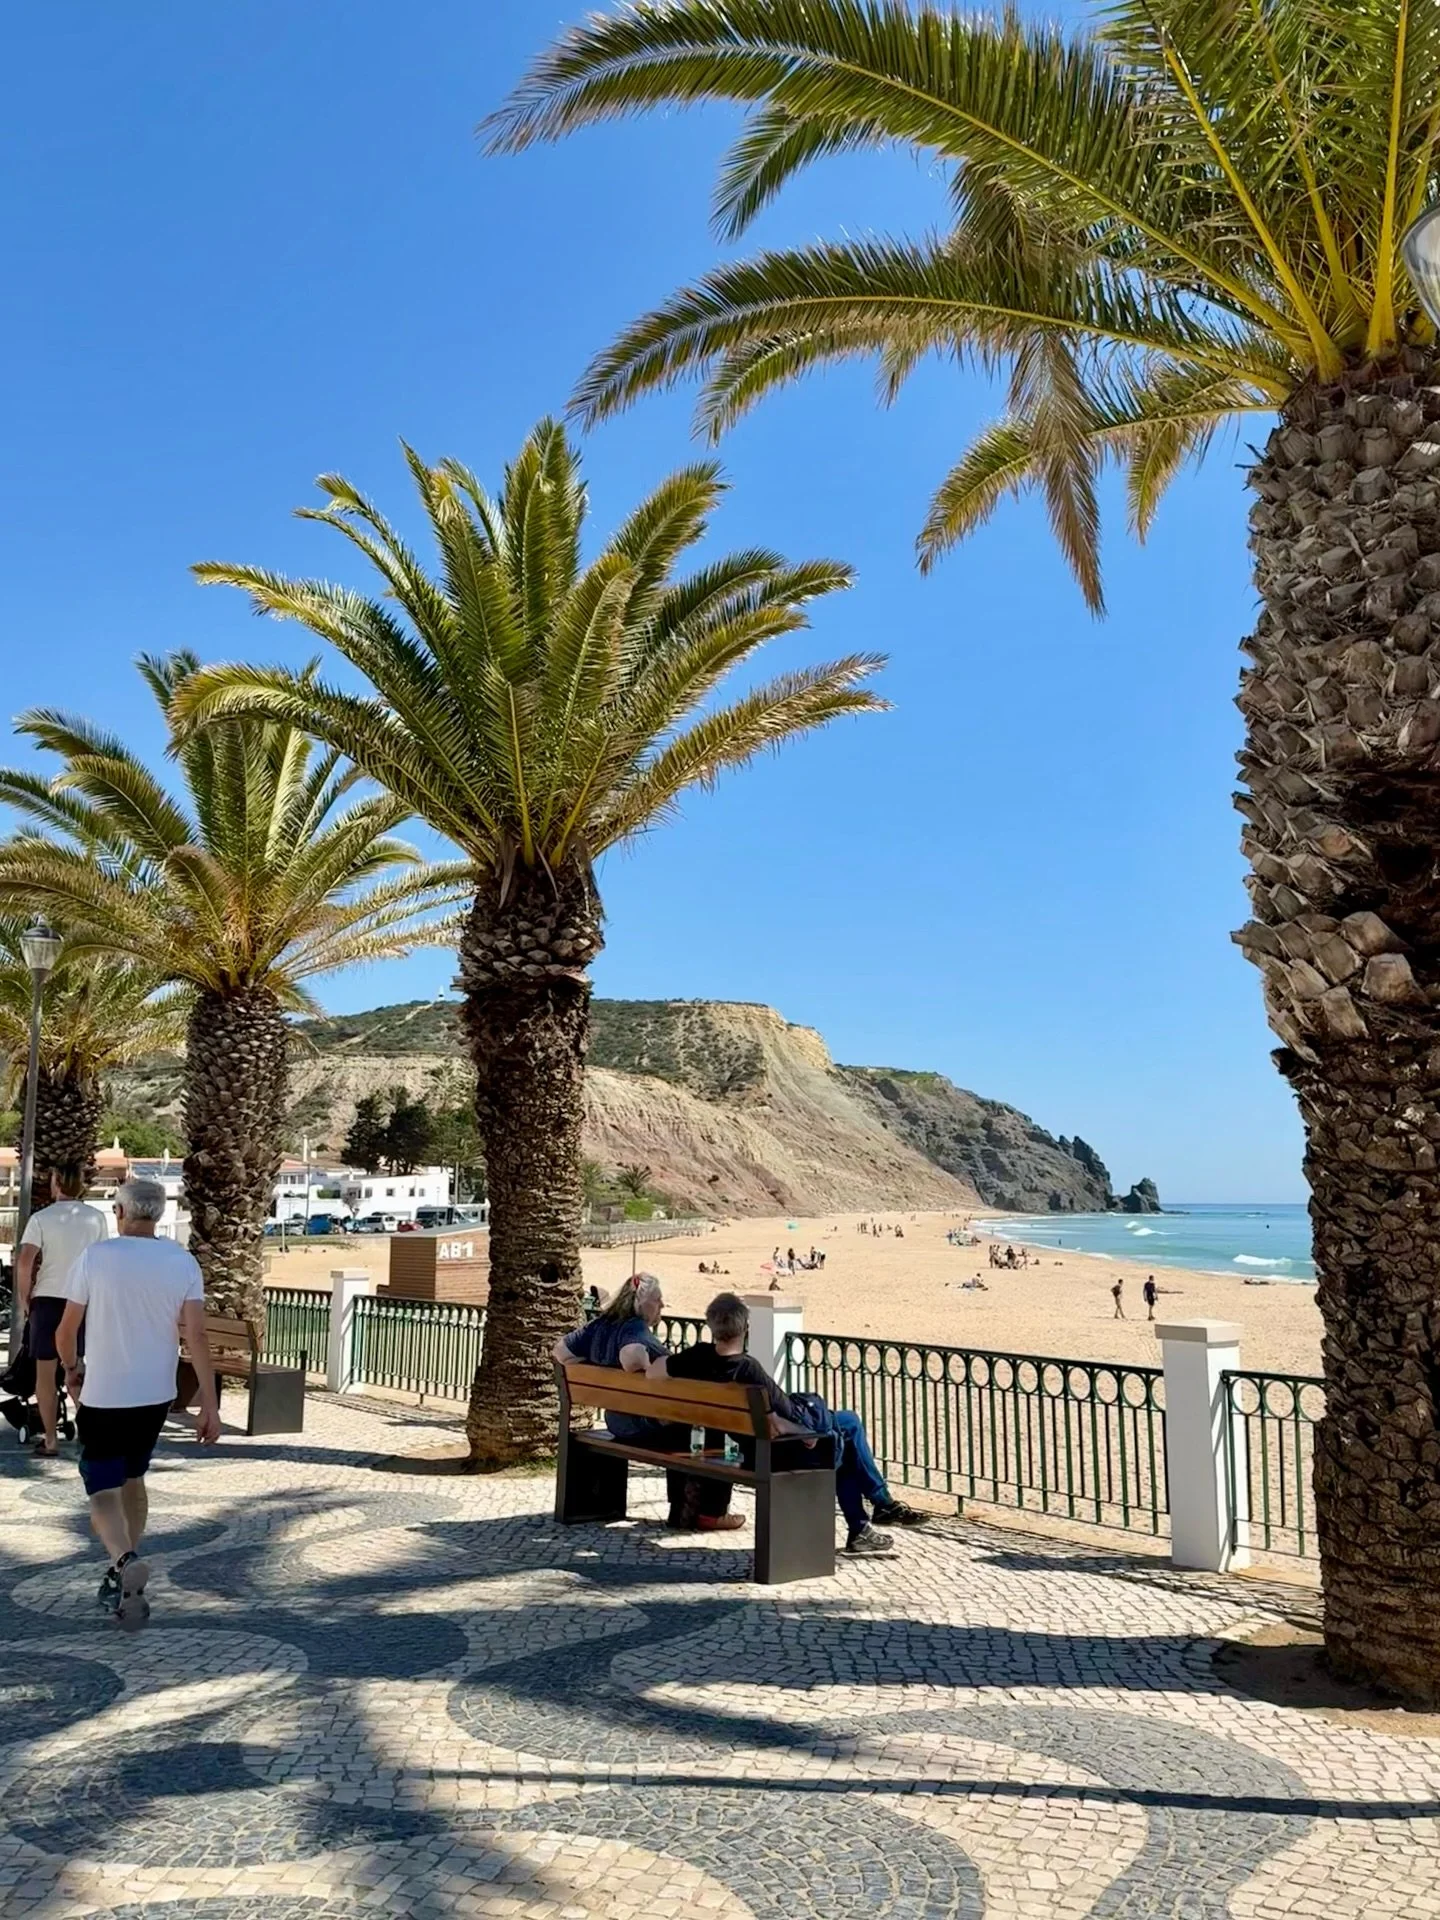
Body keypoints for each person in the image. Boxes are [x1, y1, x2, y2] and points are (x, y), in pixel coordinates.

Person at [55, 1177, 221, 1628]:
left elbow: (65, 1332)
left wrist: (71, 1369)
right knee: (134, 1477)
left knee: (103, 1491)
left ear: (121, 1213)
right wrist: (209, 1403)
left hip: (105, 1396)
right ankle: (124, 1568)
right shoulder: (182, 1262)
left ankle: (125, 1558)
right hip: (155, 1396)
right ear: (160, 1214)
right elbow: (197, 1336)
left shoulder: (96, 1258)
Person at [650, 1293, 929, 1557]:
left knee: (845, 1427)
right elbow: (775, 1426)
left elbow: (654, 1372)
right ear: (745, 1328)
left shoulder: (697, 1356)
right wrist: (806, 1433)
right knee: (847, 1431)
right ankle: (879, 1507)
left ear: (711, 1325)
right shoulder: (748, 1369)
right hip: (782, 1449)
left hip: (752, 1445)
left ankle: (868, 1521)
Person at [553, 1274, 737, 1532]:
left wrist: (594, 1368)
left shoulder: (599, 1325)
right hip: (644, 1425)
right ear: (641, 1303)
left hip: (616, 1422)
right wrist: (649, 1367)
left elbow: (560, 1352)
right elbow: (631, 1355)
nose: (661, 1305)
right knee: (712, 1429)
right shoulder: (635, 1328)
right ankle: (710, 1512)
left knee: (683, 1429)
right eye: (657, 1300)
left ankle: (688, 1510)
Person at [15, 1165, 108, 1457]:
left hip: (47, 1299)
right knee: (77, 1366)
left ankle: (51, 1440)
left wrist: (24, 1297)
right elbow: (102, 1260)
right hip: (81, 1301)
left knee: (45, 1373)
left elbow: (25, 1261)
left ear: (56, 1183)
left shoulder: (41, 1218)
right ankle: (92, 1435)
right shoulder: (96, 1218)